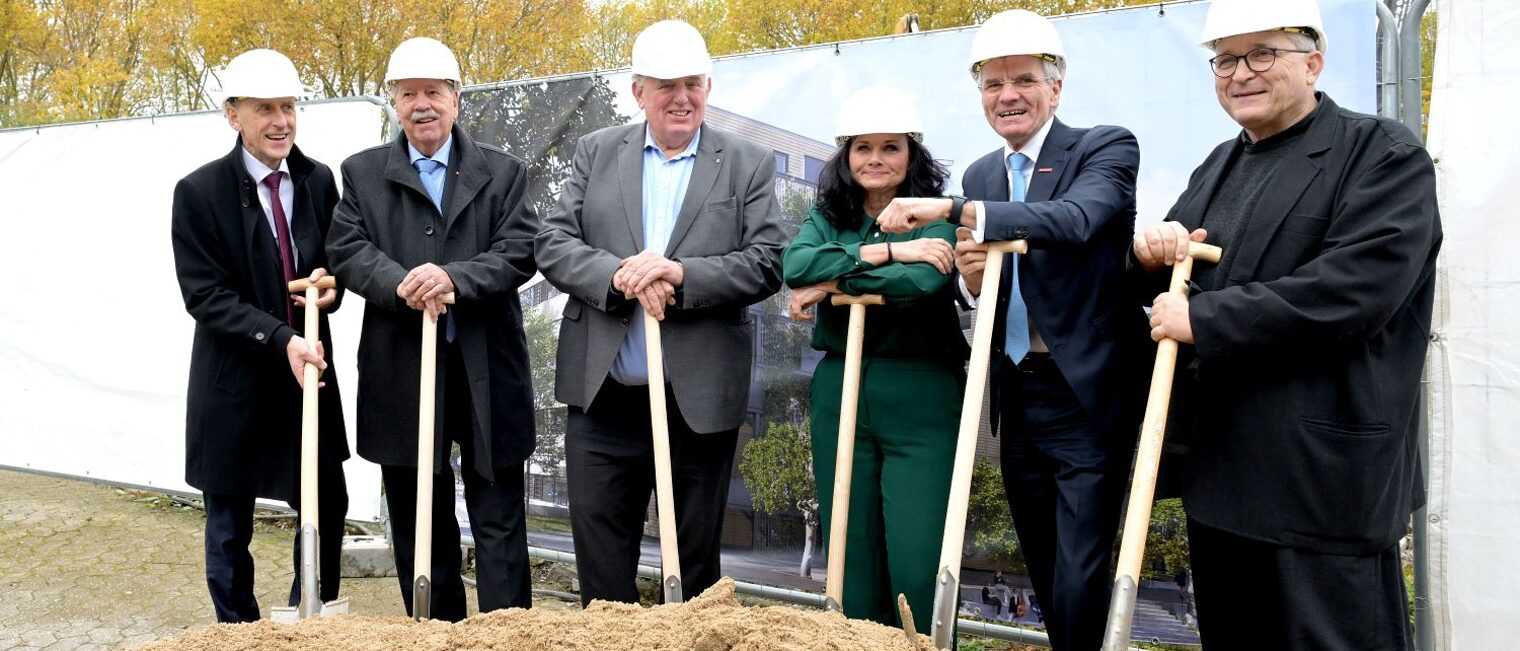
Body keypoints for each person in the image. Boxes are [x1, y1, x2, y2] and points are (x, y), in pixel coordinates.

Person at [1131, 0, 1440, 647]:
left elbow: (1355, 291)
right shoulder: (1219, 165)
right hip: (1223, 483)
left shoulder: (1381, 155)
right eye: (1224, 59)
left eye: (1261, 53)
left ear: (1314, 61)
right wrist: (1150, 255)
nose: (1240, 72)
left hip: (1320, 490)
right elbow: (1176, 282)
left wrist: (1205, 316)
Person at [877, 10, 1146, 650]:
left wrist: (950, 211)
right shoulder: (982, 174)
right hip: (1018, 389)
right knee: (1046, 559)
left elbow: (1076, 221)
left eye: (1023, 79)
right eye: (993, 84)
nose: (1008, 96)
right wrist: (972, 275)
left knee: (1083, 567)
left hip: (1085, 391)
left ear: (1056, 87)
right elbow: (988, 287)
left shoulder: (1104, 147)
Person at [534, 19, 786, 605]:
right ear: (637, 92)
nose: (682, 98)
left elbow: (768, 261)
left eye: (693, 83)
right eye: (666, 85)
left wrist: (681, 275)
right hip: (604, 396)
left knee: (694, 562)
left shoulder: (745, 162)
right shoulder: (596, 152)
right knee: (601, 559)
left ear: (708, 86)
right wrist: (620, 276)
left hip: (695, 400)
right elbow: (552, 241)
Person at [325, 37, 539, 620]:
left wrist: (452, 279)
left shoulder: (503, 172)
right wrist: (400, 283)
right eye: (409, 94)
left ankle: (504, 631)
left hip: (486, 364)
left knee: (498, 511)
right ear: (394, 104)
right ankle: (434, 628)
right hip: (402, 366)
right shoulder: (363, 174)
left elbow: (520, 249)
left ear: (456, 99)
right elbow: (346, 248)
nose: (423, 105)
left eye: (434, 93)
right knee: (420, 511)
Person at [170, 48, 349, 623]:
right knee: (228, 519)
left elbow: (332, 269)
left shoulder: (319, 181)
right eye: (265, 108)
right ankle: (239, 632)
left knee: (325, 503)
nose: (281, 121)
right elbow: (206, 295)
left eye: (289, 107)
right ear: (233, 115)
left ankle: (309, 619)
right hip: (234, 380)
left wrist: (330, 290)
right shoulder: (198, 193)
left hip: (308, 374)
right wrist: (279, 338)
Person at [781, 85, 964, 632]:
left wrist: (831, 281)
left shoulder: (935, 213)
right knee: (848, 549)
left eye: (891, 147)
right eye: (864, 148)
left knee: (917, 553)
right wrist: (888, 249)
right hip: (841, 387)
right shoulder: (827, 215)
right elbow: (796, 265)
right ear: (846, 154)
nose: (876, 160)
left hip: (921, 391)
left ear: (912, 153)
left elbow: (923, 280)